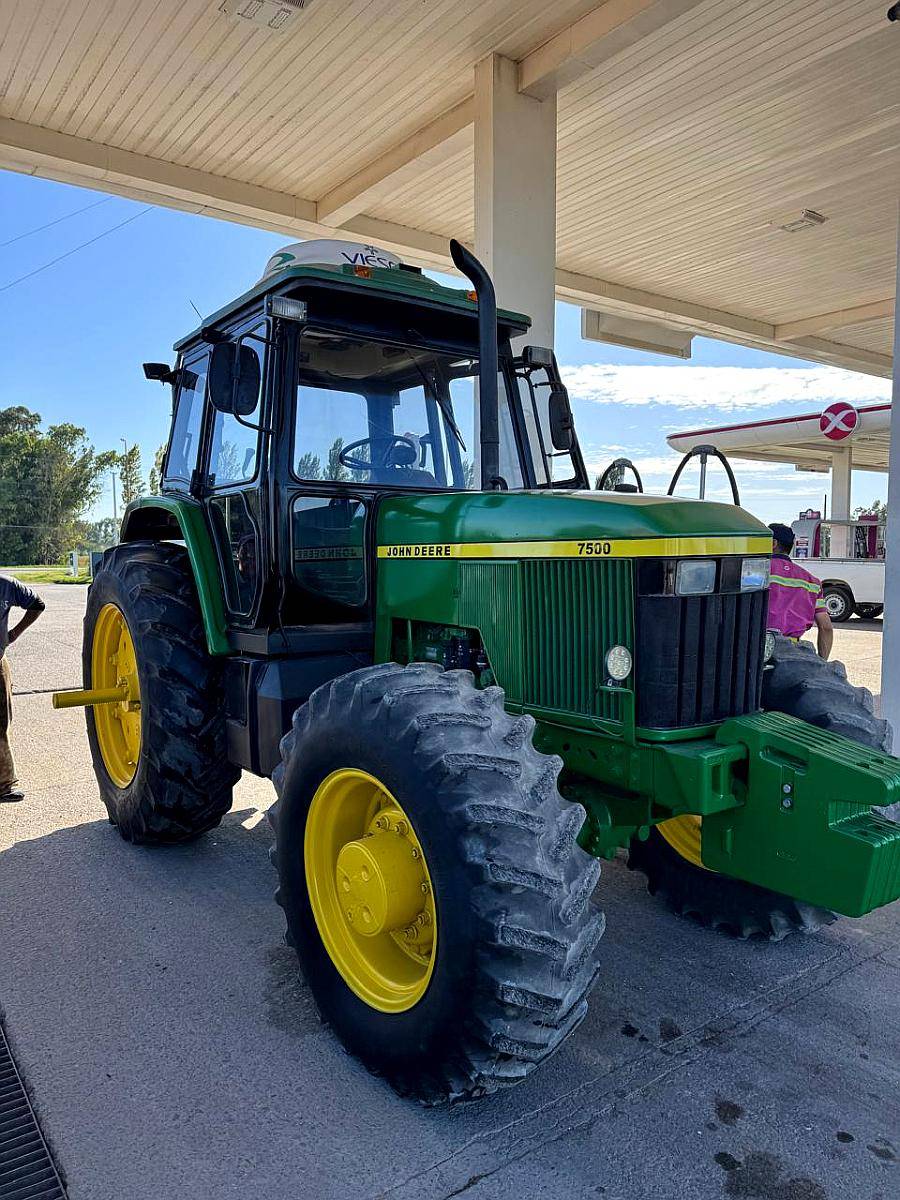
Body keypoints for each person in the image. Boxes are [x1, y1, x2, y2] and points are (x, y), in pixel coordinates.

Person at [0, 574, 46, 802]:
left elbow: (37, 604)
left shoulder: (5, 585)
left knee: (0, 724)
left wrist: (14, 633)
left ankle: (3, 785)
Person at [767, 522, 833, 660]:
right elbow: (826, 627)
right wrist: (822, 661)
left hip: (759, 649)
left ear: (773, 543)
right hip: (793, 653)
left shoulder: (756, 572)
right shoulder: (812, 582)